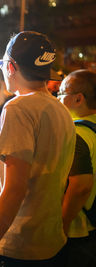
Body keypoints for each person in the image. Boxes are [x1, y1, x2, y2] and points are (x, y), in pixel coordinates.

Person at [0, 31, 76, 267]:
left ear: (11, 67)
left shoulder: (18, 109)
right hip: (51, 240)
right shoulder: (61, 110)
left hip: (20, 246)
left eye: (2, 63)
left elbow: (14, 189)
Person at [59, 69, 96, 266]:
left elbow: (81, 186)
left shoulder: (76, 134)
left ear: (78, 99)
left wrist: (62, 225)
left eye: (62, 93)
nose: (58, 99)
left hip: (80, 229)